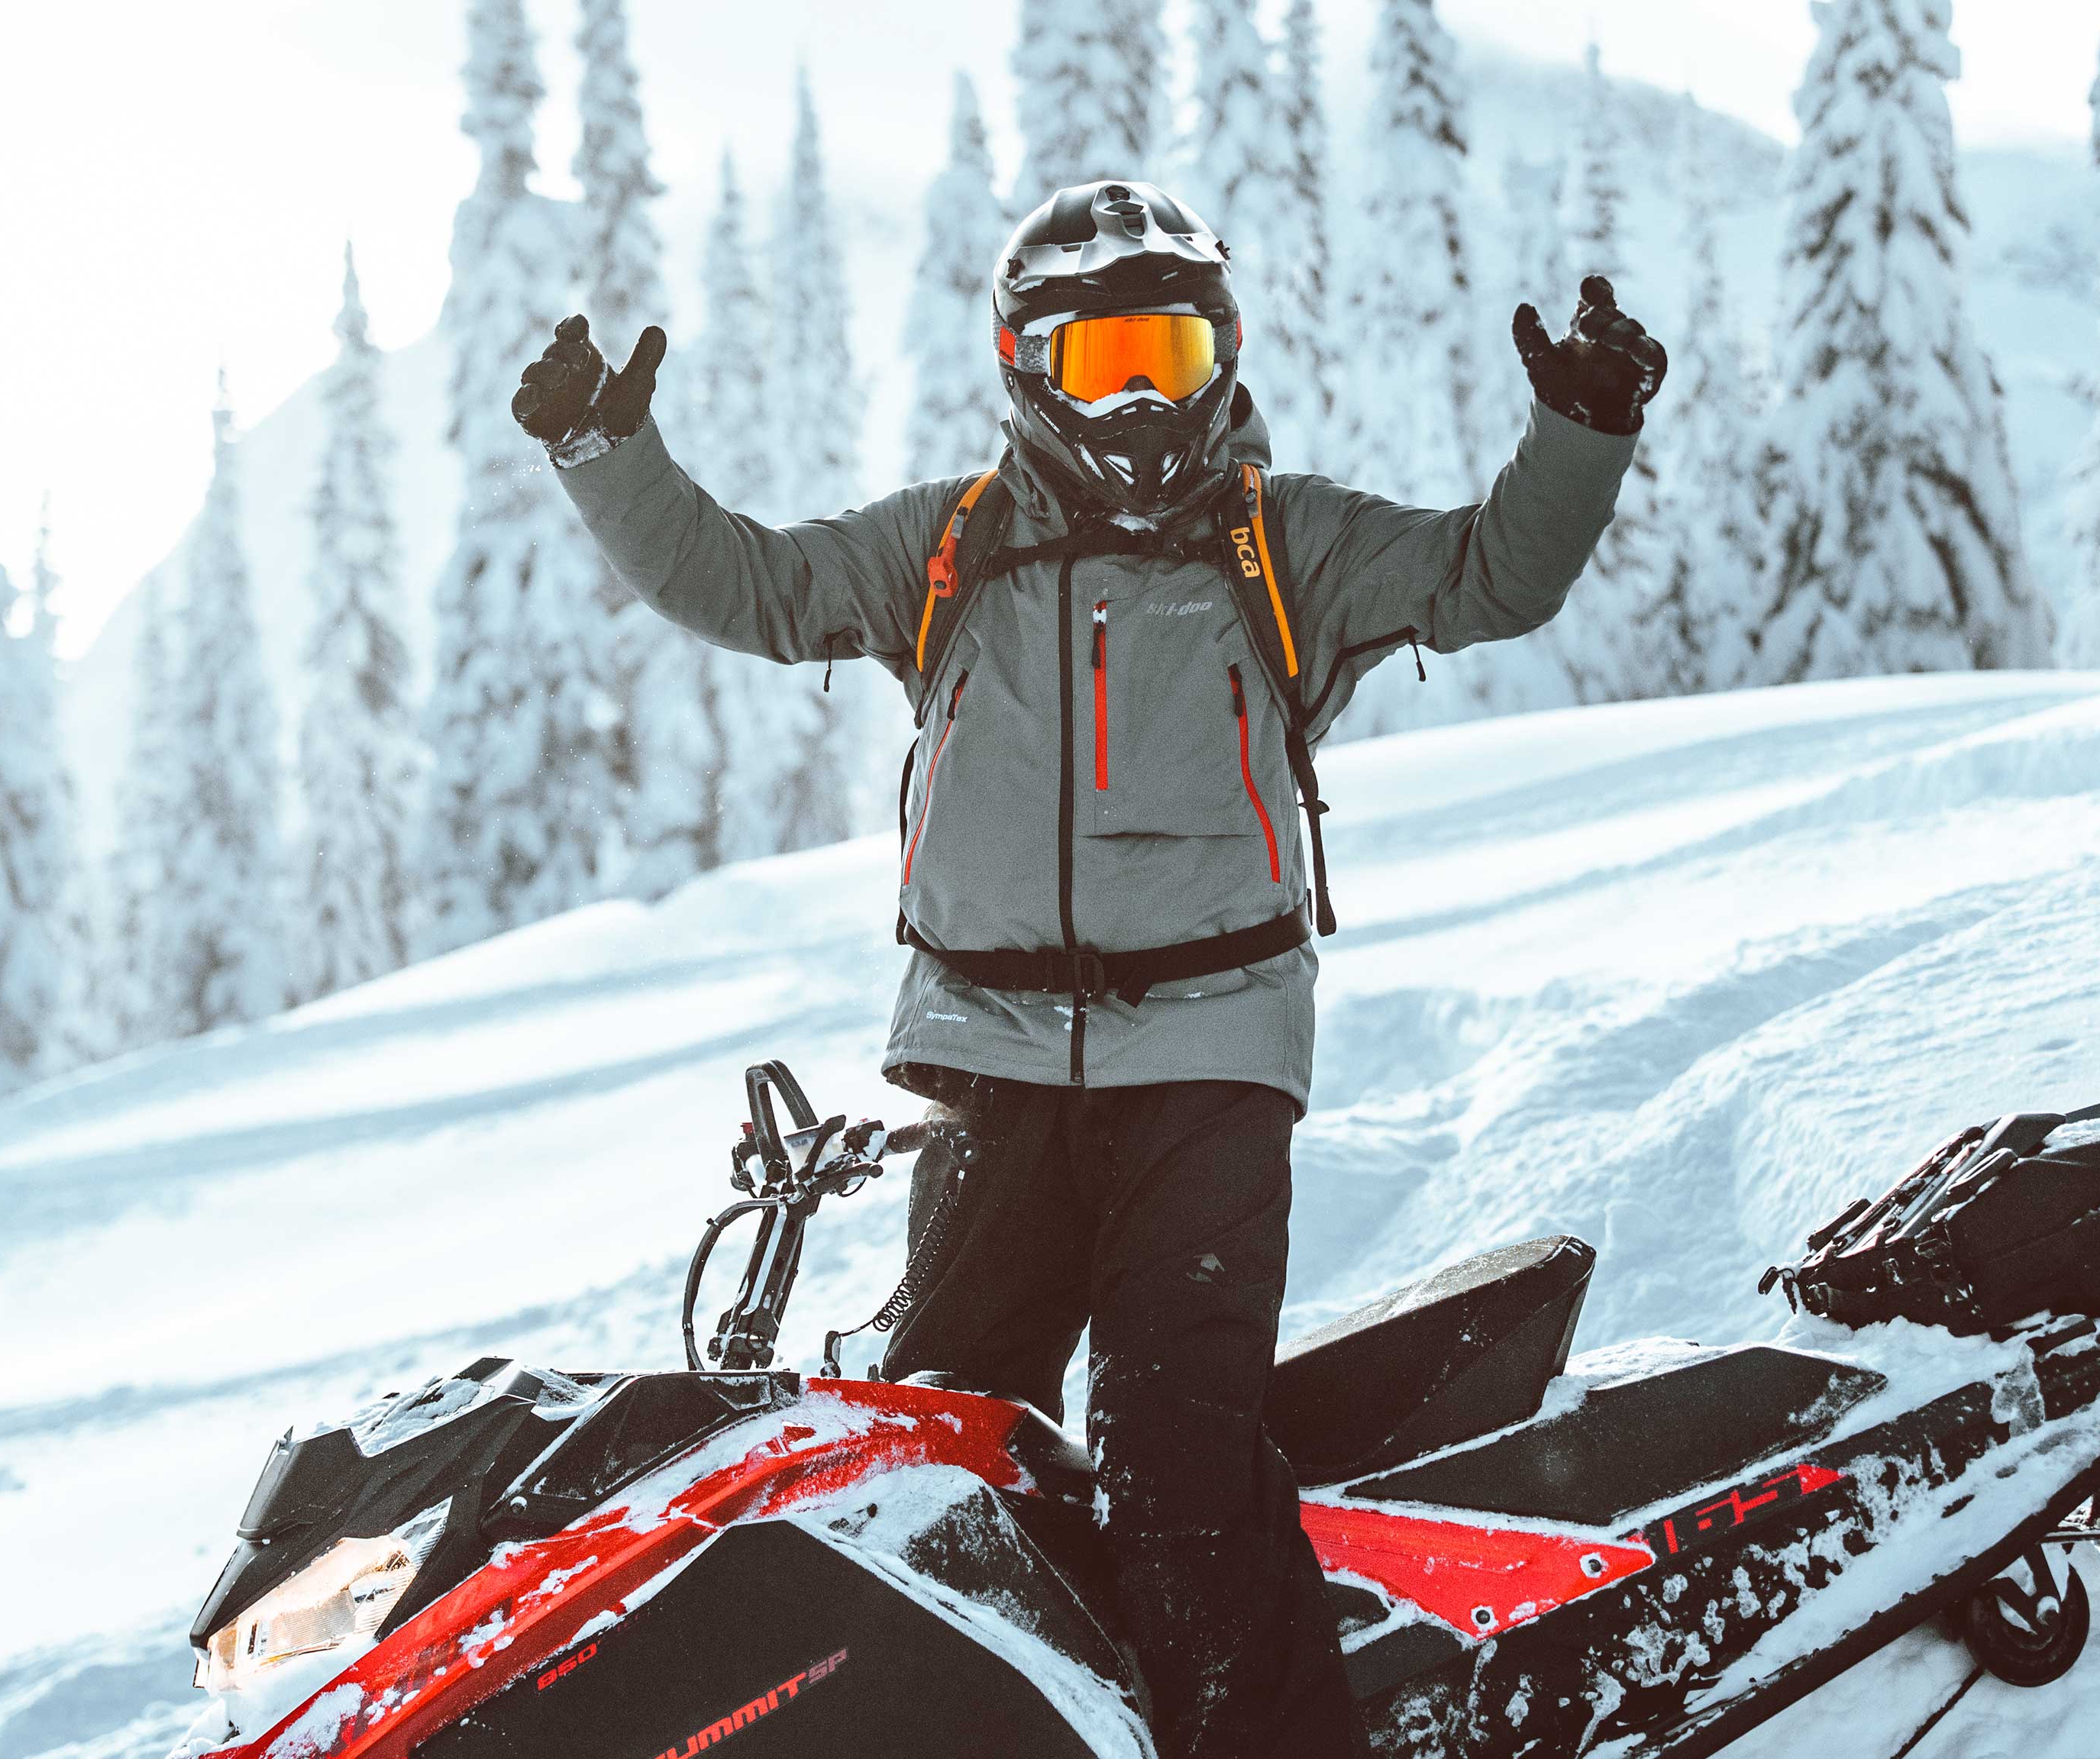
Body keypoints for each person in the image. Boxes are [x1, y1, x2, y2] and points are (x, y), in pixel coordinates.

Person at [514, 178, 1664, 1759]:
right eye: (1100, 355)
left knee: (1173, 1469)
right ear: (1024, 365)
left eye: (1170, 355)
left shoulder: (1285, 542)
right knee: (930, 1464)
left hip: (1205, 1059)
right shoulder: (947, 546)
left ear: (1223, 356)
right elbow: (753, 586)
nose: (1137, 396)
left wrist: (1579, 437)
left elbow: (1486, 577)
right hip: (988, 1065)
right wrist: (607, 460)